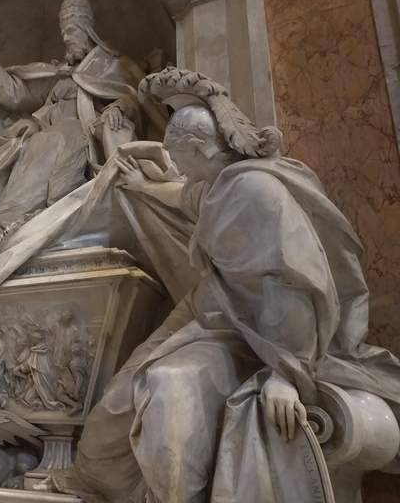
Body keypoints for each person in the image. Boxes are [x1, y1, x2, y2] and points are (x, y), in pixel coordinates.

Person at [38, 68, 400, 502]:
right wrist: (142, 186)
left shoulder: (255, 193)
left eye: (180, 158)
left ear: (201, 149)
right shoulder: (219, 184)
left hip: (253, 330)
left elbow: (295, 289)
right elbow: (186, 196)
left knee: (164, 387)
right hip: (209, 307)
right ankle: (98, 480)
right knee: (117, 400)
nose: (177, 169)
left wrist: (287, 375)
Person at [0, 0, 167, 243]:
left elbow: (135, 97)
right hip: (48, 134)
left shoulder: (114, 65)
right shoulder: (59, 75)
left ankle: (45, 216)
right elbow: (13, 92)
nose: (66, 38)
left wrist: (120, 107)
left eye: (71, 31)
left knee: (58, 137)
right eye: (63, 32)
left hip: (88, 133)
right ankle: (5, 222)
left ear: (87, 30)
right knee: (34, 143)